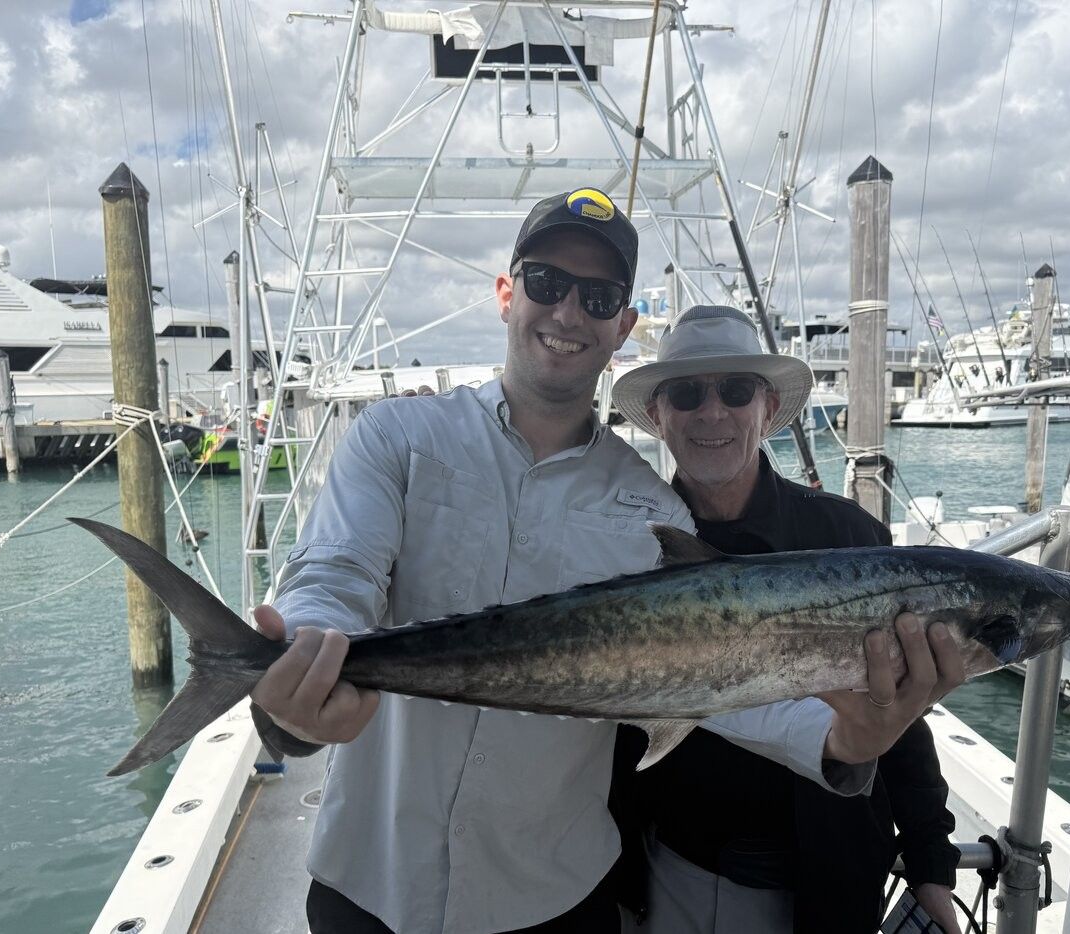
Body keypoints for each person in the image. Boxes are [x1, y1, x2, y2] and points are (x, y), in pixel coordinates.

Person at [248, 189, 964, 934]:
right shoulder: (395, 437)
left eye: (597, 296)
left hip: (552, 901)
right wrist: (310, 655)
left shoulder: (655, 517)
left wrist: (847, 744)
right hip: (369, 882)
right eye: (548, 284)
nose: (567, 313)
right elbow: (336, 572)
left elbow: (720, 683)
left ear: (622, 325)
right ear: (506, 292)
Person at [610, 305, 963, 934]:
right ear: (660, 418)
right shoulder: (625, 544)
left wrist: (931, 862)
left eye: (736, 391)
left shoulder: (847, 534)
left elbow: (905, 713)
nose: (712, 413)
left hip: (830, 878)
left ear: (767, 409)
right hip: (673, 872)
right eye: (688, 394)